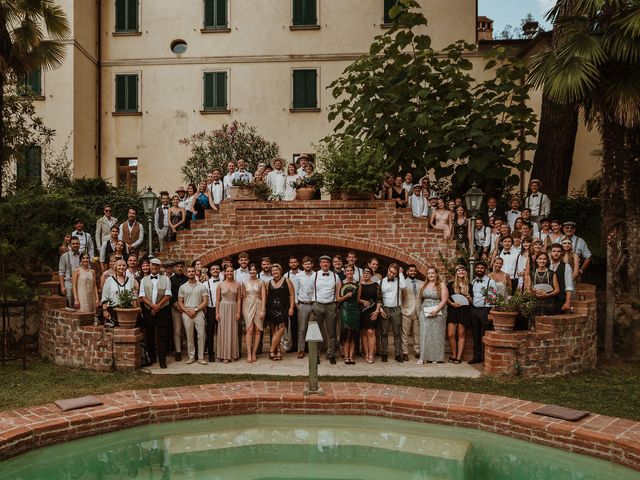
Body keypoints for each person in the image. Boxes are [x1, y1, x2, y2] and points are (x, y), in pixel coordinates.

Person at [139, 258, 172, 368]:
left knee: (162, 335)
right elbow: (142, 296)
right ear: (150, 266)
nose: (154, 267)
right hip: (148, 310)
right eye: (152, 265)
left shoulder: (166, 279)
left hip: (163, 310)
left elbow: (168, 295)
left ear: (159, 267)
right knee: (149, 334)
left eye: (157, 266)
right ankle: (152, 358)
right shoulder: (144, 280)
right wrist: (152, 306)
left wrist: (158, 306)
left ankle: (162, 360)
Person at [312, 255, 341, 364]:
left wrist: (335, 304)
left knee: (332, 332)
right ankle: (316, 355)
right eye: (323, 262)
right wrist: (314, 303)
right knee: (317, 332)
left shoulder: (335, 276)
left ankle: (331, 354)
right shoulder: (314, 275)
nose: (325, 264)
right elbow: (310, 289)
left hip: (331, 306)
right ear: (320, 264)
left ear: (330, 264)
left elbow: (338, 290)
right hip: (318, 305)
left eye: (327, 262)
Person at [178, 266, 209, 365]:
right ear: (186, 273)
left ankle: (200, 357)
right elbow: (180, 302)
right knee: (189, 335)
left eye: (192, 271)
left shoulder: (202, 286)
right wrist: (187, 311)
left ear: (195, 272)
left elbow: (205, 302)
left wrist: (195, 310)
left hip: (198, 312)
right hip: (187, 313)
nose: (191, 273)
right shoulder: (182, 287)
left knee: (201, 335)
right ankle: (191, 356)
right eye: (189, 271)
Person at [417, 266, 448, 364]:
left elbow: (444, 300)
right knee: (424, 334)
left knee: (436, 334)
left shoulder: (441, 285)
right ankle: (422, 357)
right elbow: (419, 299)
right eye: (429, 273)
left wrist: (436, 310)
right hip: (425, 312)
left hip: (438, 312)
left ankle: (435, 357)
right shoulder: (423, 285)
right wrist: (419, 312)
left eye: (432, 273)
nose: (430, 275)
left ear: (436, 274)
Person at [263, 264, 295, 360]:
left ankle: (271, 350)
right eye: (273, 271)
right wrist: (264, 309)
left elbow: (292, 295)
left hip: (283, 309)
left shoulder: (287, 281)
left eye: (276, 270)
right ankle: (278, 351)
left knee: (281, 329)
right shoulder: (268, 283)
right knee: (274, 331)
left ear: (280, 271)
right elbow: (266, 297)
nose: (274, 272)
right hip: (271, 309)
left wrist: (291, 307)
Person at [469, 261, 496, 364]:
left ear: (485, 270)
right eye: (478, 268)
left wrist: (491, 311)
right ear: (475, 269)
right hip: (474, 310)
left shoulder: (490, 281)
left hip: (485, 309)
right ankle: (476, 357)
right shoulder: (474, 282)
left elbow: (493, 297)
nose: (479, 269)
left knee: (484, 334)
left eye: (481, 268)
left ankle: (485, 357)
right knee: (475, 334)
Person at [101, 259, 138, 328]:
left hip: (127, 311)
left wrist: (135, 310)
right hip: (113, 311)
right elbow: (105, 296)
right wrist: (105, 310)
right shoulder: (109, 280)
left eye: (124, 265)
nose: (122, 267)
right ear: (115, 267)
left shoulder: (130, 280)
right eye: (119, 265)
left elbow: (133, 296)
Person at [446, 265, 472, 364]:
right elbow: (446, 298)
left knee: (461, 334)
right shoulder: (451, 285)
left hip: (464, 311)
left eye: (463, 270)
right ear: (456, 273)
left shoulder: (470, 285)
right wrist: (452, 303)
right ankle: (453, 354)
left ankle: (458, 357)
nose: (461, 271)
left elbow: (471, 302)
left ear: (465, 272)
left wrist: (467, 295)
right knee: (451, 334)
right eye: (459, 270)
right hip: (453, 310)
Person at [380, 263, 405, 363]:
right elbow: (378, 297)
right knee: (384, 333)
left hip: (396, 309)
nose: (391, 274)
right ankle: (384, 353)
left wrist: (401, 274)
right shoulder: (380, 282)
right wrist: (381, 309)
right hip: (384, 309)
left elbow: (403, 286)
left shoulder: (399, 281)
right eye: (390, 272)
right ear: (387, 270)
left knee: (397, 333)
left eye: (394, 273)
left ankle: (398, 354)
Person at [216, 266, 241, 363]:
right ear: (225, 273)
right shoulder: (220, 285)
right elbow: (218, 300)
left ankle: (232, 354)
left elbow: (239, 299)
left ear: (233, 273)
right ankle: (224, 355)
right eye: (228, 271)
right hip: (223, 308)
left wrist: (238, 312)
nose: (230, 273)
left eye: (231, 271)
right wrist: (217, 313)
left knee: (233, 331)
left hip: (233, 307)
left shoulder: (238, 284)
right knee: (223, 331)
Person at [357, 266, 382, 364]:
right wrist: (362, 301)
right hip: (362, 311)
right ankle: (366, 353)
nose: (366, 274)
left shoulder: (376, 285)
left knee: (371, 332)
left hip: (372, 312)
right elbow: (357, 299)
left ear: (371, 274)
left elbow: (379, 300)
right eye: (364, 273)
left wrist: (377, 311)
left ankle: (371, 354)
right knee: (363, 332)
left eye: (368, 273)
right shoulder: (359, 285)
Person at [525, 252, 560, 323]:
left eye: (544, 259)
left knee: (548, 325)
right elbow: (527, 290)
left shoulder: (552, 273)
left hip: (549, 303)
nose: (542, 261)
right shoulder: (531, 274)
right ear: (537, 260)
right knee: (534, 324)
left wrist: (547, 295)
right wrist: (534, 293)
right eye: (540, 259)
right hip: (535, 304)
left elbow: (557, 290)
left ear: (547, 261)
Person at [241, 263, 264, 363]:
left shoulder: (261, 282)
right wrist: (243, 309)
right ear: (249, 271)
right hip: (247, 306)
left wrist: (263, 310)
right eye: (251, 270)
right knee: (249, 330)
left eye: (254, 270)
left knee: (258, 330)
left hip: (259, 305)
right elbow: (244, 297)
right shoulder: (244, 282)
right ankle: (249, 353)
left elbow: (263, 297)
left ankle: (254, 352)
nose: (252, 271)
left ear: (257, 271)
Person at [337, 265, 359, 365]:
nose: (349, 272)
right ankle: (346, 355)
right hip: (345, 309)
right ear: (345, 272)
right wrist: (345, 296)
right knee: (347, 332)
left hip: (355, 310)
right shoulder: (341, 283)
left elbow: (358, 299)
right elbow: (338, 299)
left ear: (353, 272)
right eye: (347, 271)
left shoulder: (358, 284)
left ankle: (351, 356)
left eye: (351, 270)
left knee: (353, 333)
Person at [400, 264, 423, 361]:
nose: (413, 272)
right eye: (411, 271)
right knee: (405, 333)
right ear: (407, 272)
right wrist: (402, 309)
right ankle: (405, 352)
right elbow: (400, 298)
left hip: (418, 311)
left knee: (417, 333)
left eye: (414, 271)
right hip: (406, 310)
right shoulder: (403, 283)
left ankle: (418, 351)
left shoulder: (422, 283)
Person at [295, 256, 316, 359]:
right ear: (302, 265)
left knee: (313, 328)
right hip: (302, 304)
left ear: (312, 264)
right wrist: (296, 305)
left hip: (314, 304)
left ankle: (313, 349)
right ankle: (301, 350)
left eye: (309, 263)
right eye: (305, 264)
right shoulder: (298, 276)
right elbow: (295, 291)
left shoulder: (317, 275)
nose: (307, 265)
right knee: (302, 329)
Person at [169, 260, 188, 361]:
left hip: (187, 307)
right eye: (177, 266)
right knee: (177, 330)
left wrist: (184, 306)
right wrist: (175, 304)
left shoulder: (187, 279)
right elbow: (169, 293)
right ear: (174, 268)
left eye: (181, 266)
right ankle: (178, 351)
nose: (179, 268)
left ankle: (190, 351)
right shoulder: (170, 280)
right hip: (175, 308)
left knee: (188, 330)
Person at [204, 264, 222, 363]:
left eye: (217, 269)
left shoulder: (223, 282)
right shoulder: (205, 284)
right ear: (210, 272)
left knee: (221, 333)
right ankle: (211, 354)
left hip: (222, 310)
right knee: (210, 333)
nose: (215, 270)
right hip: (210, 310)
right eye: (213, 269)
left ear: (219, 271)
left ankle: (221, 353)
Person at [58, 236, 81, 307]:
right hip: (69, 282)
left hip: (80, 281)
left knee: (81, 302)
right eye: (73, 244)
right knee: (70, 300)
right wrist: (62, 286)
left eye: (77, 243)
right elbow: (61, 272)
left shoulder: (83, 256)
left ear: (79, 244)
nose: (75, 245)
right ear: (70, 245)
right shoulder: (64, 256)